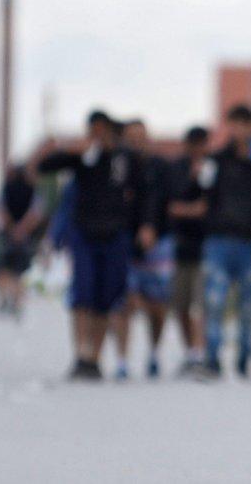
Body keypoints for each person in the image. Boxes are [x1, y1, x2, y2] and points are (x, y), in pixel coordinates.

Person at [34, 110, 153, 381]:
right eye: (92, 130)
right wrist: (72, 149)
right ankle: (80, 355)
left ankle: (94, 358)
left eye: (101, 129)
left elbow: (145, 195)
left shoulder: (127, 159)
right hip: (84, 235)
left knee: (106, 298)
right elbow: (45, 167)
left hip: (116, 235)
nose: (97, 135)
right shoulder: (82, 156)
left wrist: (147, 225)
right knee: (82, 295)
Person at [199, 105, 251, 378]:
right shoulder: (216, 160)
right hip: (218, 241)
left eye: (246, 124)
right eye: (236, 124)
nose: (241, 130)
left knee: (247, 305)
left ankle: (244, 358)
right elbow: (204, 194)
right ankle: (212, 358)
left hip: (248, 244)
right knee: (215, 300)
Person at [110, 119, 173, 379]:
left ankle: (154, 352)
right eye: (131, 136)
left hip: (158, 243)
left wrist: (152, 229)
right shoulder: (116, 166)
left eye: (140, 135)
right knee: (123, 303)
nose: (136, 140)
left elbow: (167, 202)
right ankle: (122, 360)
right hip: (123, 240)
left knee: (157, 305)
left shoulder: (160, 167)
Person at [166, 126, 211, 376]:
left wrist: (191, 208)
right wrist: (192, 180)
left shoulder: (212, 167)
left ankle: (199, 352)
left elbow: (209, 205)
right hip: (181, 245)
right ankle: (189, 351)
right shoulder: (178, 169)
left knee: (199, 304)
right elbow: (171, 204)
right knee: (180, 304)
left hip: (205, 246)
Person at [0, 164, 44, 320]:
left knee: (5, 267)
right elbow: (36, 212)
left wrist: (11, 228)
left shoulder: (7, 188)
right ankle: (16, 302)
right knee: (20, 271)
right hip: (25, 236)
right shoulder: (32, 190)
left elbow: (1, 210)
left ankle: (4, 299)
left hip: (9, 234)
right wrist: (22, 229)